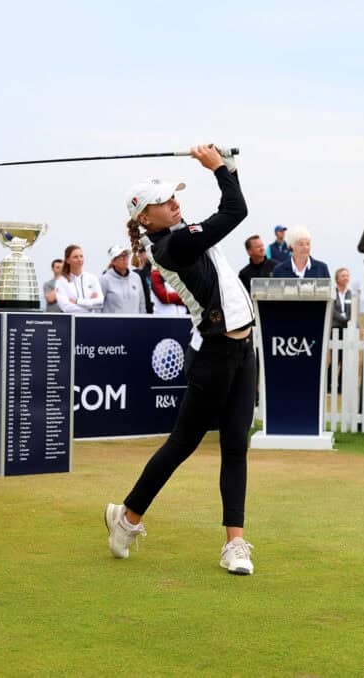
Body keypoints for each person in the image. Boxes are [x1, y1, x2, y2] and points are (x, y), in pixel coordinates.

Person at [106, 144, 257, 575]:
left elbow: (229, 208)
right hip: (214, 354)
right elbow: (235, 211)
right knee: (181, 445)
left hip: (245, 350)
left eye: (173, 196)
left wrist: (229, 166)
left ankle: (236, 544)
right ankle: (128, 518)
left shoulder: (182, 232)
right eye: (162, 201)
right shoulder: (171, 247)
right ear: (144, 219)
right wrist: (218, 170)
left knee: (235, 444)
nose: (173, 203)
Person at [55, 245, 103, 314]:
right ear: (68, 260)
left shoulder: (92, 278)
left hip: (92, 321)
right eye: (75, 257)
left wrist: (78, 301)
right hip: (72, 322)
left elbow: (100, 303)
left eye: (81, 256)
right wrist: (90, 307)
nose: (79, 259)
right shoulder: (61, 282)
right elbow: (67, 307)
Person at [100, 244, 146, 314]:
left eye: (126, 256)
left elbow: (142, 305)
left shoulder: (136, 277)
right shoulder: (104, 279)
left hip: (134, 323)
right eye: (121, 256)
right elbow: (99, 306)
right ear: (113, 261)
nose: (125, 259)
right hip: (112, 324)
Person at [130, 247, 154, 314]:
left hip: (157, 312)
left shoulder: (157, 271)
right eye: (148, 251)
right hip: (144, 313)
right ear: (140, 254)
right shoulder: (135, 274)